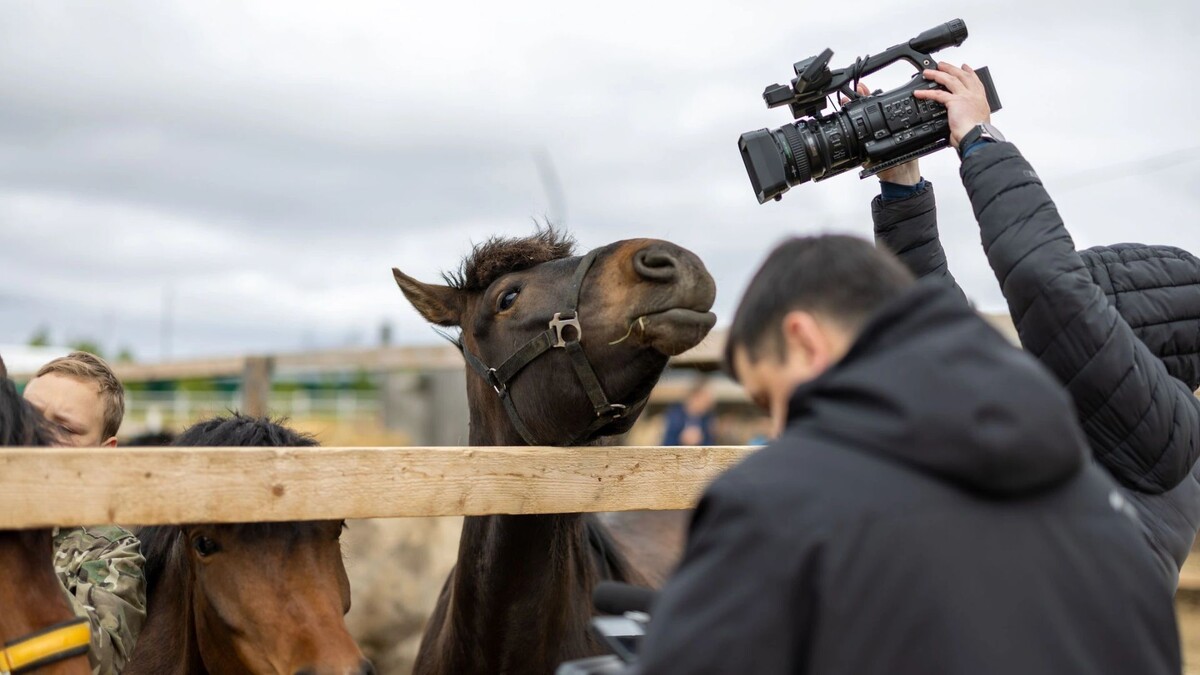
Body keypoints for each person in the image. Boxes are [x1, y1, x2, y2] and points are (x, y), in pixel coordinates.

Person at [634, 235, 1180, 674]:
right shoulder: (1101, 510)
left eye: (768, 397)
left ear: (804, 340)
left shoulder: (774, 500)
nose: (778, 429)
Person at [871, 63, 1200, 586]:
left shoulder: (1158, 432)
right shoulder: (1080, 420)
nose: (1044, 336)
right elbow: (936, 335)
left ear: (1115, 335)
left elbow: (1045, 279)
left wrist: (980, 139)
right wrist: (901, 185)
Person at [23, 352, 146, 675]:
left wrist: (19, 550)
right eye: (27, 415)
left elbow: (100, 662)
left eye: (65, 429)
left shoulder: (111, 550)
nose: (37, 436)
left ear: (103, 455)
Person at [661, 377, 717, 446]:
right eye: (706, 399)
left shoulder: (707, 418)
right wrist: (681, 439)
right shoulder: (675, 416)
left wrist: (702, 439)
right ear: (696, 396)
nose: (709, 404)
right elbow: (665, 444)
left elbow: (711, 444)